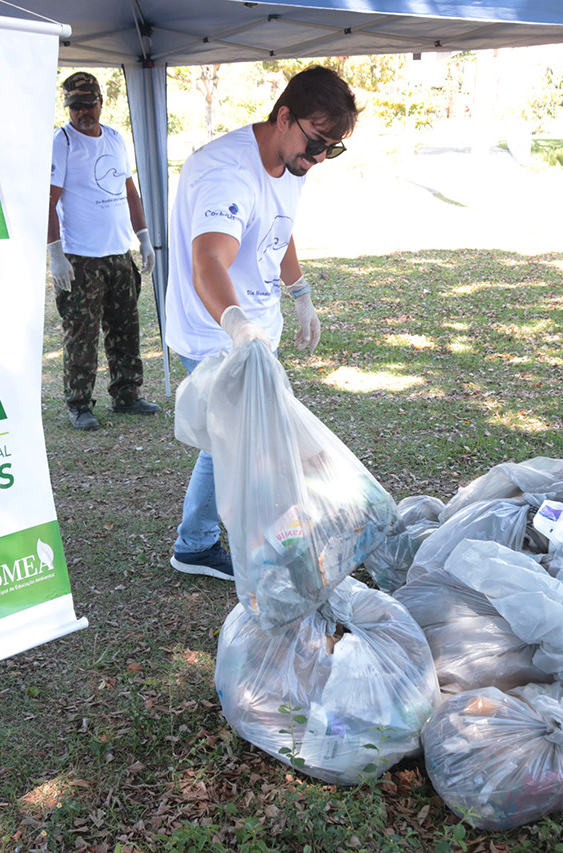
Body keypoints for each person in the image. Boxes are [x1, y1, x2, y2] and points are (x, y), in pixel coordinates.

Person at [163, 65, 359, 580]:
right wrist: (236, 325)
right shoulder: (226, 172)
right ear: (284, 116)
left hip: (254, 328)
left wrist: (299, 292)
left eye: (331, 150)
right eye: (317, 142)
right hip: (216, 331)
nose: (318, 158)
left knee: (234, 439)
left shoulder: (290, 163)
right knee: (250, 442)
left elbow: (280, 226)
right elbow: (208, 259)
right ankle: (251, 547)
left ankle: (198, 541)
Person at [48, 71, 160, 431]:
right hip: (81, 258)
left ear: (101, 102)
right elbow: (47, 201)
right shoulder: (61, 142)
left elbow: (129, 191)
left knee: (126, 329)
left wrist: (143, 236)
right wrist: (55, 253)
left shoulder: (114, 138)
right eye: (74, 106)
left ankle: (127, 394)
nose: (82, 112)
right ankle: (79, 403)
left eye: (88, 104)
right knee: (81, 335)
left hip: (117, 254)